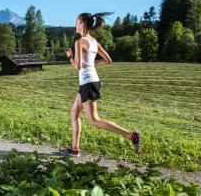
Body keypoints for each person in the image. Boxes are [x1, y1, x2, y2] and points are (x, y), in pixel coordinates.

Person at [59, 12, 140, 157]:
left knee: (94, 120)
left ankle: (131, 135)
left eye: (76, 22)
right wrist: (90, 64)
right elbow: (108, 60)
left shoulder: (80, 41)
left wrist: (70, 58)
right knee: (74, 113)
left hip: (88, 83)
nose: (75, 25)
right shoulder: (94, 42)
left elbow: (77, 66)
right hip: (90, 81)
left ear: (82, 25)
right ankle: (74, 149)